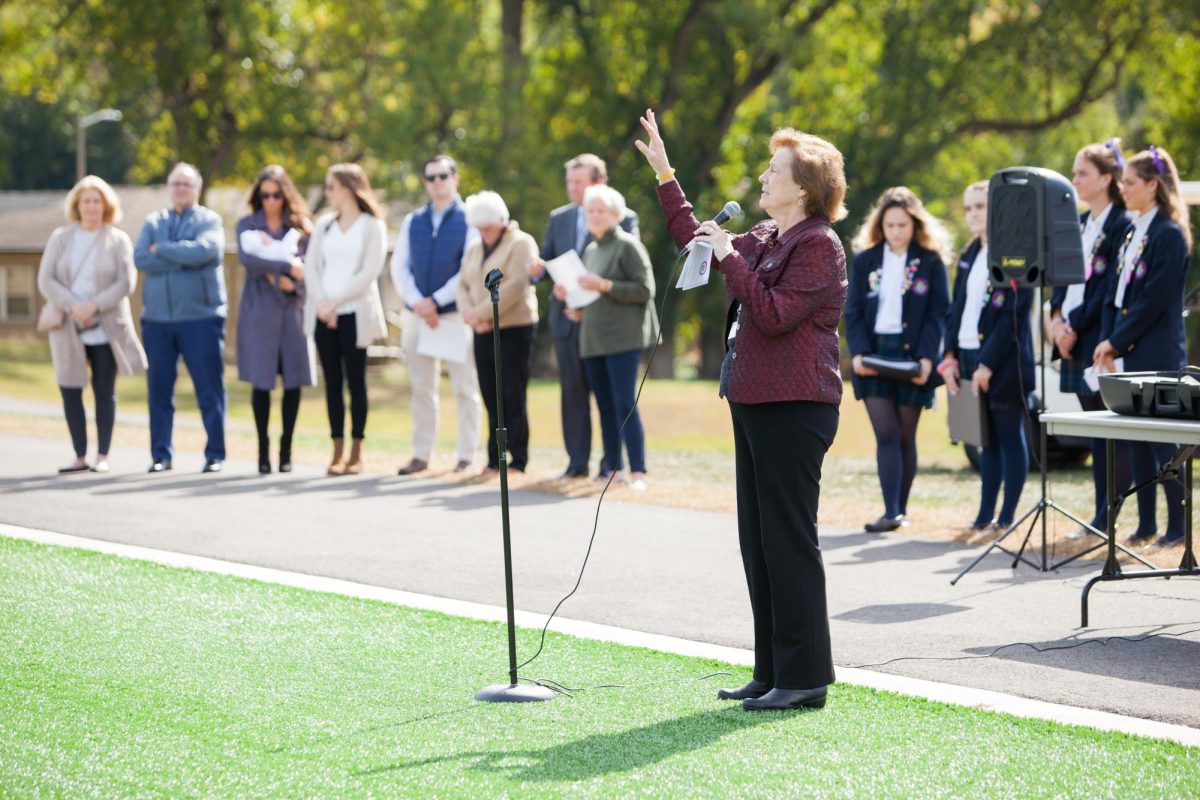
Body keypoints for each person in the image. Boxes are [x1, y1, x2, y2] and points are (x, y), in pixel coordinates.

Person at [638, 109, 847, 711]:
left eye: (773, 170)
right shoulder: (768, 235)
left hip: (796, 405)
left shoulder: (819, 245)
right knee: (757, 540)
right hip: (755, 400)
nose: (762, 176)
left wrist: (730, 257)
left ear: (803, 187)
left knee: (788, 539)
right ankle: (772, 670)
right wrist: (664, 171)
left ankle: (805, 676)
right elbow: (692, 236)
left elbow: (776, 313)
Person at [1094, 145, 1193, 547]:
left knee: (1163, 442)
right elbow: (1119, 292)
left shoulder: (1169, 234)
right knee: (1135, 439)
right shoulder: (1136, 229)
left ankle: (1179, 526)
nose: (1124, 189)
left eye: (1131, 183)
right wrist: (1111, 339)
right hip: (1130, 348)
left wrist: (1116, 340)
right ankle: (1145, 523)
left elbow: (1153, 299)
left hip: (1156, 349)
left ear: (1153, 185)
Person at [845, 187, 951, 532]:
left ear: (915, 224)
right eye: (890, 225)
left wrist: (925, 359)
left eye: (902, 225)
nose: (896, 232)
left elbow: (938, 314)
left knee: (906, 435)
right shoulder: (865, 260)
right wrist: (858, 352)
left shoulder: (930, 262)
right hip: (873, 355)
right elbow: (854, 311)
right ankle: (890, 511)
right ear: (880, 225)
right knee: (886, 432)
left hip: (912, 356)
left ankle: (900, 510)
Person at [529, 154, 640, 479]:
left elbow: (628, 266)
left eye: (579, 182)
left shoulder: (625, 218)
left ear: (599, 183)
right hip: (566, 319)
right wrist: (537, 270)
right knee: (573, 393)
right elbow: (547, 257)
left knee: (612, 397)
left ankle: (612, 464)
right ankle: (577, 463)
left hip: (604, 321)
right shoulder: (559, 217)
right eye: (570, 182)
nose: (573, 188)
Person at [938, 181, 1034, 535]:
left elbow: (1014, 313)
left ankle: (1007, 516)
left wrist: (987, 364)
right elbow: (956, 308)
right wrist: (948, 355)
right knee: (983, 439)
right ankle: (984, 514)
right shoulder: (969, 253)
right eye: (969, 208)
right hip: (965, 353)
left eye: (980, 206)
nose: (973, 214)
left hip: (1003, 362)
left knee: (1009, 436)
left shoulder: (1016, 252)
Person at [1050, 141, 1133, 537]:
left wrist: (1074, 325)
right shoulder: (1080, 222)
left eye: (1082, 173)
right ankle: (1100, 515)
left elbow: (1106, 290)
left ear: (1106, 178)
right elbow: (1061, 276)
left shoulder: (1122, 223)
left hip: (1098, 336)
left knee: (1110, 432)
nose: (1075, 180)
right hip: (1070, 335)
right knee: (1093, 431)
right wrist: (1054, 319)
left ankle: (1110, 516)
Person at [37, 176, 147, 474]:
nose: (91, 207)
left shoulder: (118, 239)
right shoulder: (61, 238)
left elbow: (126, 282)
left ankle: (102, 455)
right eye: (86, 201)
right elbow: (45, 280)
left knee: (104, 390)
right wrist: (74, 305)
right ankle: (79, 455)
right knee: (70, 388)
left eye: (97, 201)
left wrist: (94, 305)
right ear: (77, 205)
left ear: (106, 205)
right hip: (68, 325)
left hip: (105, 325)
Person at [390, 155, 482, 475]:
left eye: (443, 176)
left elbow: (468, 268)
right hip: (417, 316)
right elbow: (399, 266)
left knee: (464, 388)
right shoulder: (413, 220)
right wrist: (419, 302)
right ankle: (421, 454)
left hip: (455, 315)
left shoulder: (470, 218)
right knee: (421, 388)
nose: (437, 182)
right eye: (431, 178)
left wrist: (437, 300)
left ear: (455, 178)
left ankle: (466, 455)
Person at [561, 184, 657, 490]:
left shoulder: (629, 246)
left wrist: (603, 285)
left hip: (623, 338)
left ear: (616, 214)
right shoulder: (589, 250)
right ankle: (613, 468)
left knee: (624, 404)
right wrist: (576, 310)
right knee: (603, 405)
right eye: (590, 210)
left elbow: (645, 290)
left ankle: (638, 471)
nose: (595, 216)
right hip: (593, 338)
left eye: (601, 210)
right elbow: (590, 296)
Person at [134, 162, 227, 473]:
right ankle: (161, 454)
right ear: (169, 188)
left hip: (201, 318)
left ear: (197, 189)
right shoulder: (153, 220)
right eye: (176, 184)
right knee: (159, 390)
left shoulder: (209, 219)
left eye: (187, 184)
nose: (181, 189)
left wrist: (162, 249)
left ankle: (215, 453)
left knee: (208, 389)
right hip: (157, 320)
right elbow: (140, 258)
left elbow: (205, 252)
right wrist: (180, 257)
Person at [304, 163, 389, 476]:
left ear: (350, 188)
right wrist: (323, 305)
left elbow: (369, 273)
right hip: (324, 315)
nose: (327, 193)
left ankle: (356, 452)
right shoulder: (324, 224)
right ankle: (337, 450)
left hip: (354, 314)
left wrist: (337, 302)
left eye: (331, 187)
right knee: (332, 384)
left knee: (356, 382)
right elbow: (311, 267)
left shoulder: (372, 225)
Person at [235, 165, 315, 474]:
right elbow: (248, 260)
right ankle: (262, 450)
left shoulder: (301, 227)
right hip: (260, 310)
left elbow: (308, 267)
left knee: (292, 380)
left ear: (286, 195)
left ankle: (286, 449)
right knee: (262, 381)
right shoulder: (247, 224)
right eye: (265, 195)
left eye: (277, 195)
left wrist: (292, 281)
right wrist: (286, 265)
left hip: (292, 309)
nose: (271, 201)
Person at [457, 191, 539, 474]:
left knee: (512, 393)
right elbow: (462, 285)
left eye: (488, 226)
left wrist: (480, 313)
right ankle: (494, 457)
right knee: (490, 394)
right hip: (481, 331)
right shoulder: (473, 248)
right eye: (479, 227)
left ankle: (518, 458)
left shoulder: (521, 243)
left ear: (502, 220)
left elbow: (516, 284)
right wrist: (471, 316)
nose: (484, 232)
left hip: (514, 328)